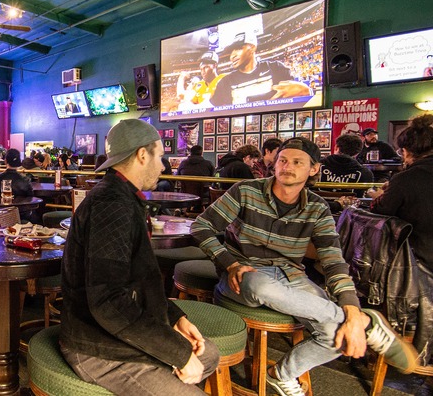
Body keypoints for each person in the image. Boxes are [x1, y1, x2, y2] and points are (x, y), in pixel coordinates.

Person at [191, 137, 418, 396]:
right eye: (283, 160)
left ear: (313, 169)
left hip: (291, 277)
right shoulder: (246, 191)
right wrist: (228, 263)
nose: (287, 166)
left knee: (337, 333)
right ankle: (366, 323)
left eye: (297, 162)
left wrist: (350, 306)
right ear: (274, 165)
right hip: (244, 275)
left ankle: (281, 374)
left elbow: (333, 260)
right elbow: (200, 226)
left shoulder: (317, 207)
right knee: (260, 285)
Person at [60, 119, 220, 394]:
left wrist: (174, 318)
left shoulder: (122, 196)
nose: (164, 165)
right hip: (96, 347)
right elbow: (108, 302)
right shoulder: (113, 205)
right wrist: (176, 353)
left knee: (209, 354)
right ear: (142, 155)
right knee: (194, 361)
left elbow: (138, 280)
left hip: (110, 334)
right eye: (160, 156)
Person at [369, 114, 433, 366]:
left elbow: (380, 213)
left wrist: (379, 194)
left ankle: (381, 335)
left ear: (406, 152)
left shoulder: (406, 179)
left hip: (418, 272)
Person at [210, 32, 312, 106]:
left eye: (238, 49)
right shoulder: (225, 82)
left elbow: (298, 98)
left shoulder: (275, 68)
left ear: (253, 48)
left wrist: (306, 92)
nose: (233, 56)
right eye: (231, 51)